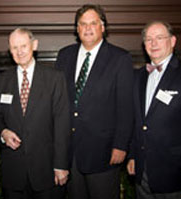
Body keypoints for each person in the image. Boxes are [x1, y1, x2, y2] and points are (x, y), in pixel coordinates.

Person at [55, 4, 134, 199]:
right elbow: (58, 102)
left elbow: (126, 107)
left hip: (104, 153)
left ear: (103, 27)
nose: (88, 28)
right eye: (82, 24)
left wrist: (121, 145)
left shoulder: (120, 58)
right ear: (77, 29)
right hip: (71, 152)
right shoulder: (64, 55)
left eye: (93, 23)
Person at [127, 20, 181, 199]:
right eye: (148, 39)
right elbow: (137, 121)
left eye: (159, 38)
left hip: (177, 176)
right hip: (143, 175)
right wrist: (133, 156)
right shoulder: (139, 76)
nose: (153, 43)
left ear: (172, 41)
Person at [0, 28, 70, 199]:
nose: (19, 52)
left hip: (47, 171)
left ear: (34, 45)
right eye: (14, 47)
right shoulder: (1, 81)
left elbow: (62, 124)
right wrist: (3, 132)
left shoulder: (55, 79)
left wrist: (61, 165)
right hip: (13, 174)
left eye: (23, 46)